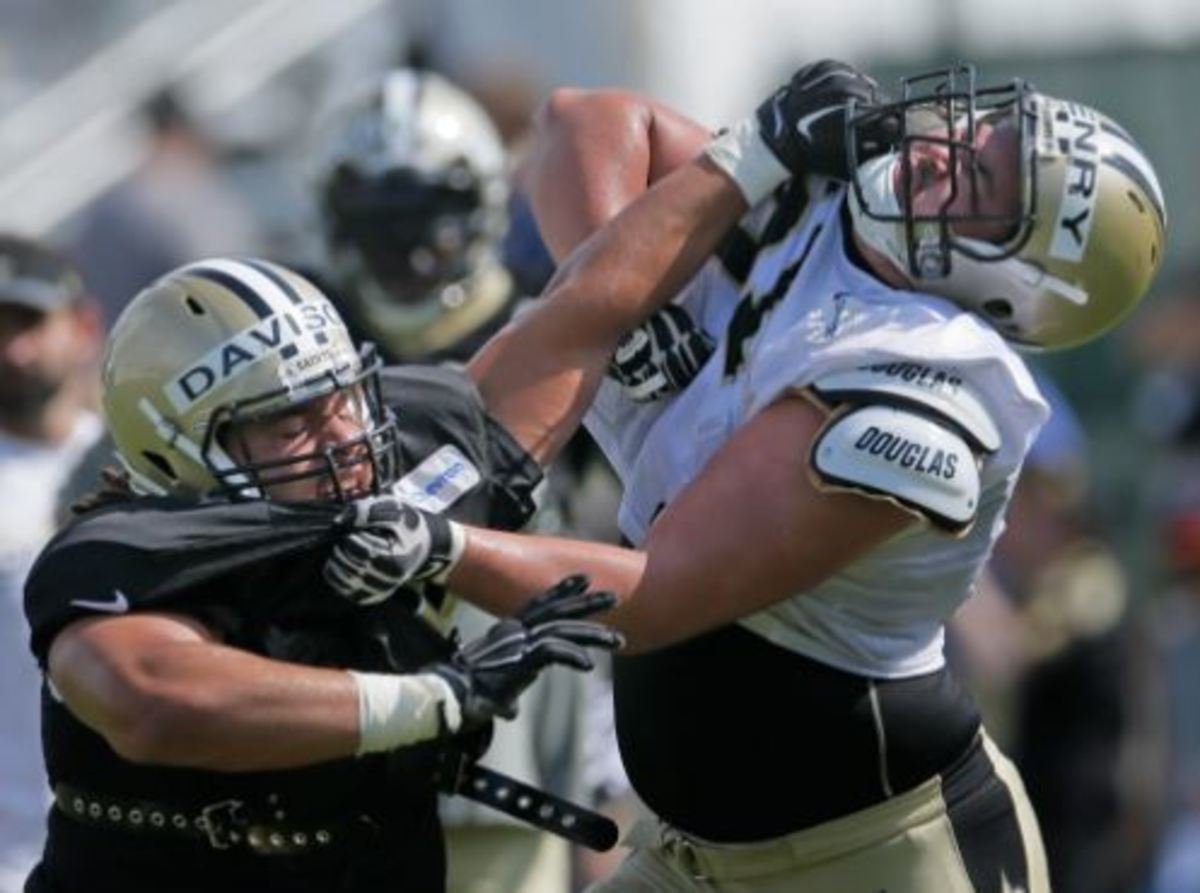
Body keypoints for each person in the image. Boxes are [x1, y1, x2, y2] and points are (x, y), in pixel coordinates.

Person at [316, 60, 1167, 891]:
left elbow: (654, 599)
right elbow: (585, 120)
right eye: (986, 128)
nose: (951, 146)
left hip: (872, 860)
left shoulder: (928, 387)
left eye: (985, 179)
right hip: (701, 851)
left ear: (1007, 282)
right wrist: (633, 283)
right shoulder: (831, 209)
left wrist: (442, 545)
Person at [22, 257, 624, 893]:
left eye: (345, 399)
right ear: (175, 450)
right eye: (290, 423)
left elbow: (591, 308)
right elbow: (153, 702)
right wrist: (435, 700)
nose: (342, 439)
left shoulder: (413, 452)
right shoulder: (126, 552)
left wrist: (738, 168)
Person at [308, 67, 612, 893]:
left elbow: (617, 537)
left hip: (511, 736)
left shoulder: (546, 325)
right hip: (336, 734)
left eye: (425, 220)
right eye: (383, 222)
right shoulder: (307, 330)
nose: (407, 248)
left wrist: (604, 742)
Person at [0, 235, 104, 893]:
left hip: (144, 850)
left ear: (84, 325)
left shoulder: (152, 464)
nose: (13, 350)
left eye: (29, 322)